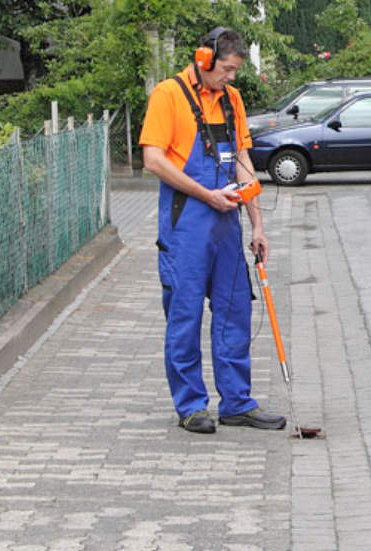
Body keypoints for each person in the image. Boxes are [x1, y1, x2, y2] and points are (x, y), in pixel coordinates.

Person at [139, 27, 286, 434]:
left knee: (235, 311)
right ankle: (191, 406)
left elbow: (241, 159)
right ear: (203, 60)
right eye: (226, 69)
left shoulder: (232, 100)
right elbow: (153, 159)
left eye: (236, 70)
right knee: (184, 316)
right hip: (186, 223)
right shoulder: (168, 96)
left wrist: (257, 223)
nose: (231, 77)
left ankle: (237, 402)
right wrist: (206, 193)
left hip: (226, 224)